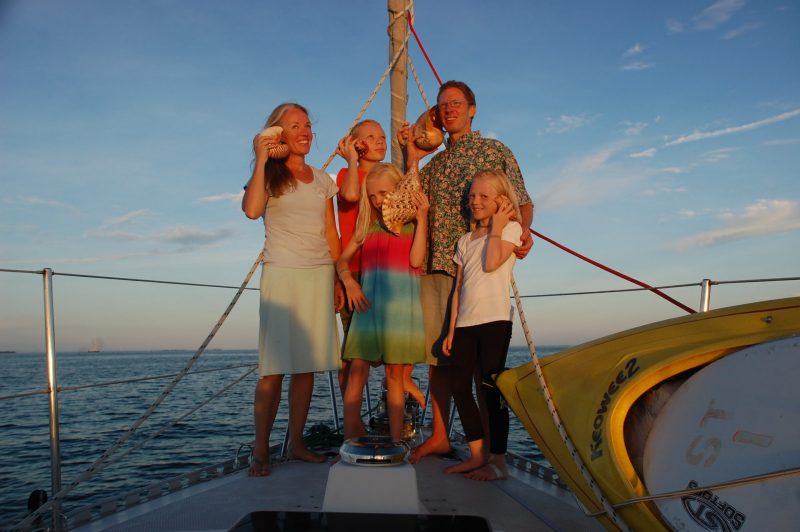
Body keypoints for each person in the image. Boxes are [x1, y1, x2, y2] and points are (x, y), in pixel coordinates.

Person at [400, 80, 534, 464]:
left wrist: (522, 233)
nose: (449, 109)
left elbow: (523, 201)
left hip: (481, 268)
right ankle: (441, 437)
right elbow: (408, 202)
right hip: (438, 265)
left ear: (472, 109)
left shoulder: (494, 150)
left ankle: (489, 450)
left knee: (481, 371)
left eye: (456, 103)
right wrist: (413, 157)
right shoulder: (435, 165)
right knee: (439, 361)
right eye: (443, 105)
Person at [242, 102, 344, 476]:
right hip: (282, 275)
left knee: (306, 368)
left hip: (319, 275)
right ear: (278, 133)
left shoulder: (323, 180)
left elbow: (331, 233)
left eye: (307, 125)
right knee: (273, 369)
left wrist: (339, 278)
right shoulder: (268, 175)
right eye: (295, 125)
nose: (304, 131)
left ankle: (297, 443)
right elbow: (252, 210)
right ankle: (261, 449)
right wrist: (261, 157)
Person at [336, 163, 428, 442]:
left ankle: (397, 442)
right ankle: (349, 439)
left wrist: (422, 218)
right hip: (367, 309)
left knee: (395, 376)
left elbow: (416, 261)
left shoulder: (412, 227)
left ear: (398, 190)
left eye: (383, 193)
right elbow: (342, 260)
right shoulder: (367, 226)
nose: (377, 201)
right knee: (357, 371)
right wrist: (349, 282)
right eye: (372, 196)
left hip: (400, 311)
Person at [442, 170, 522, 480]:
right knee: (459, 386)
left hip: (494, 322)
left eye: (483, 196)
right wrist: (451, 329)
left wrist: (498, 225)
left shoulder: (511, 229)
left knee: (490, 391)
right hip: (465, 323)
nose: (474, 201)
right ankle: (477, 454)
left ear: (501, 200)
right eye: (472, 195)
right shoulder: (464, 241)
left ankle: (498, 462)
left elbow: (490, 263)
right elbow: (458, 289)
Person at [334, 120, 387, 401]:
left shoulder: (390, 180)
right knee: (355, 352)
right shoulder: (347, 174)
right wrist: (352, 160)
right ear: (356, 143)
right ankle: (351, 415)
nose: (379, 141)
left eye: (382, 136)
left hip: (384, 270)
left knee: (390, 345)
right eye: (371, 136)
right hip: (354, 271)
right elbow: (352, 195)